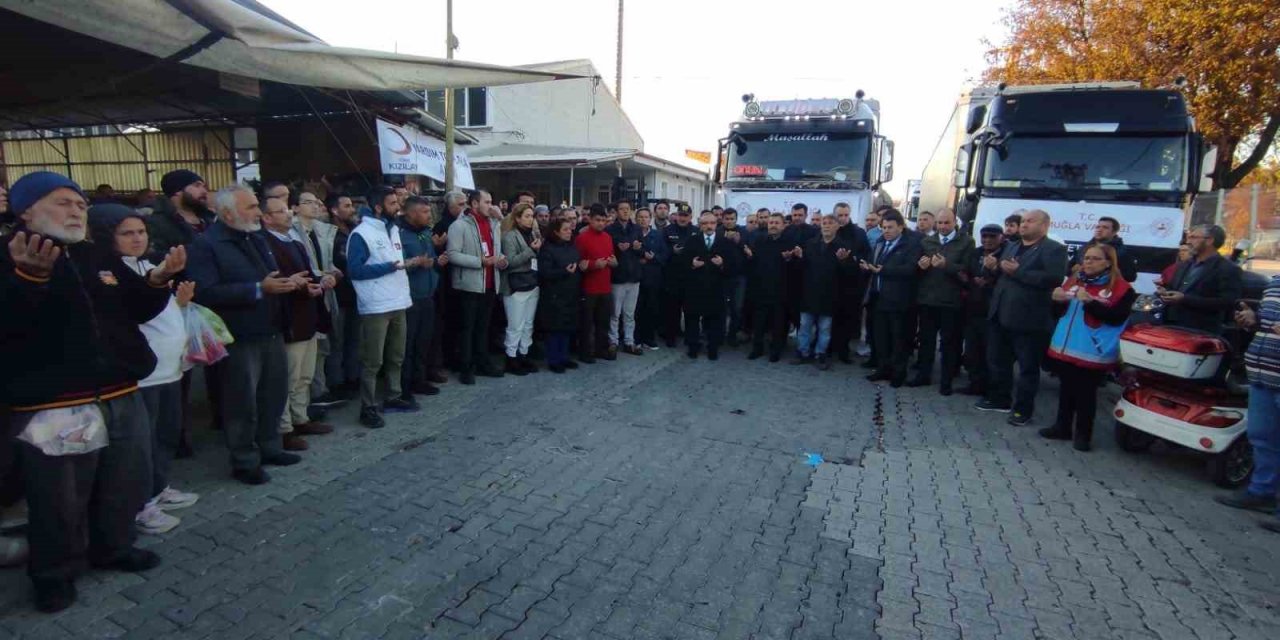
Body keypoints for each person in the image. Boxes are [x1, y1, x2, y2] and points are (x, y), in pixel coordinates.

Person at [2, 173, 188, 612]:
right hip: (55, 403)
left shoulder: (94, 254)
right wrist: (28, 279)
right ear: (26, 210)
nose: (76, 211)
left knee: (125, 480)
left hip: (122, 389)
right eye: (63, 202)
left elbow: (133, 310)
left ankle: (113, 547)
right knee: (59, 499)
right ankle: (54, 575)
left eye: (81, 205)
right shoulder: (9, 258)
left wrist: (158, 280)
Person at [90, 207, 202, 536]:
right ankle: (141, 505)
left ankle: (158, 486)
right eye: (127, 233)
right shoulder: (108, 274)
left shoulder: (151, 267)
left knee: (165, 434)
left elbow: (157, 312)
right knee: (141, 444)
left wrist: (179, 304)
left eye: (141, 231)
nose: (138, 238)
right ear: (107, 236)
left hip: (170, 369)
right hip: (144, 376)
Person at [187, 185, 303, 483]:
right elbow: (205, 291)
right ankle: (244, 460)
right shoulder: (206, 245)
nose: (258, 212)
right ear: (227, 213)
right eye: (251, 207)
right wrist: (257, 290)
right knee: (241, 402)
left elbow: (268, 278)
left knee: (272, 395)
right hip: (238, 336)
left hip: (271, 329)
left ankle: (269, 447)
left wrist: (286, 283)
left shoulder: (255, 236)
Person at [975, 209, 1068, 426]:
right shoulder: (1012, 245)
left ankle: (1022, 410)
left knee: (1027, 367)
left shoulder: (1054, 249)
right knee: (998, 361)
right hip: (1001, 313)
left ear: (1044, 226)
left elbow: (1053, 279)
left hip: (1029, 319)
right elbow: (1003, 274)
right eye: (1023, 221)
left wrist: (1018, 272)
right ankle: (1000, 399)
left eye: (1030, 221)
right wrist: (994, 267)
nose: (1024, 224)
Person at [1041, 244, 1136, 451]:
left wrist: (1090, 303)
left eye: (1094, 258)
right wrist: (1055, 300)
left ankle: (1083, 435)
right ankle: (1062, 427)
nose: (1088, 262)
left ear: (1108, 262)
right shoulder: (1075, 280)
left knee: (1086, 395)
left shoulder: (1122, 288)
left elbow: (1116, 318)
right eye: (1086, 258)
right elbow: (1059, 312)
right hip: (1066, 347)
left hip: (1093, 351)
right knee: (1066, 390)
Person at [260, 196, 335, 452]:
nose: (287, 213)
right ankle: (284, 428)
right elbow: (277, 280)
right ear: (266, 218)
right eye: (279, 211)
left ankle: (300, 418)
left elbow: (308, 272)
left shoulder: (293, 240)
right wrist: (302, 286)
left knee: (304, 375)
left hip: (308, 316)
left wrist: (322, 279)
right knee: (288, 377)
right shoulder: (265, 243)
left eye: (286, 209)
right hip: (289, 317)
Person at [346, 187, 419, 428]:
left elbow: (396, 262)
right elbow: (355, 271)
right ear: (378, 207)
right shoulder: (361, 234)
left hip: (399, 300)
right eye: (392, 203)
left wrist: (404, 264)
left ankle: (393, 396)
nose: (397, 207)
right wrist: (390, 266)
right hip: (375, 305)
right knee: (372, 360)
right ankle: (367, 407)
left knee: (396, 355)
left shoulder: (393, 229)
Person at [1216, 276, 1280, 534]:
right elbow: (1266, 324)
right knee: (1262, 438)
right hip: (1263, 375)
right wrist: (1252, 319)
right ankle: (1261, 493)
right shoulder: (1275, 283)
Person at [910, 209, 975, 395]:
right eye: (939, 223)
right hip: (928, 300)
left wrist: (947, 266)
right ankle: (923, 375)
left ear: (955, 222)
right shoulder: (927, 241)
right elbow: (917, 268)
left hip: (951, 302)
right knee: (926, 341)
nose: (943, 227)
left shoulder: (966, 242)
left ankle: (946, 381)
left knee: (949, 344)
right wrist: (921, 267)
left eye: (947, 223)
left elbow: (968, 271)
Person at [447, 189, 508, 384]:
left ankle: (482, 362)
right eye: (487, 202)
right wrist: (480, 261)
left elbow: (496, 250)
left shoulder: (493, 224)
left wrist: (501, 260)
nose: (491, 206)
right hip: (469, 286)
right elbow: (453, 254)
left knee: (483, 327)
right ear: (474, 204)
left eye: (491, 202)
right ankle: (466, 367)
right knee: (467, 329)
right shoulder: (459, 226)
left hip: (489, 284)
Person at [291, 191, 345, 407]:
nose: (315, 206)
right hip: (306, 294)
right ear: (295, 207)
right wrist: (322, 277)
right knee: (308, 350)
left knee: (324, 345)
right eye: (308, 202)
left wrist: (333, 273)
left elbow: (327, 262)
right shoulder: (291, 233)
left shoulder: (321, 231)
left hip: (326, 294)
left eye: (316, 202)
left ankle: (321, 390)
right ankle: (310, 398)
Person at [863, 209, 923, 387]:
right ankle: (883, 369)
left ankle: (898, 373)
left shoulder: (911, 245)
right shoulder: (881, 242)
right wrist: (867, 265)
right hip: (879, 298)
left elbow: (911, 270)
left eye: (890, 227)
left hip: (900, 301)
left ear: (901, 227)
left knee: (899, 339)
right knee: (881, 338)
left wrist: (883, 270)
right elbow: (874, 262)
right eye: (883, 227)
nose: (886, 231)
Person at [792, 214, 856, 370]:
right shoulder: (810, 244)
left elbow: (850, 274)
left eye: (830, 223)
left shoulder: (844, 246)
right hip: (809, 293)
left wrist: (843, 261)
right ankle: (803, 352)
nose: (826, 226)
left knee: (825, 328)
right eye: (824, 223)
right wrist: (799, 258)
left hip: (830, 294)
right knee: (804, 326)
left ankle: (821, 354)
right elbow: (801, 270)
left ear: (837, 226)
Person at [398, 196, 445, 396]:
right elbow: (397, 265)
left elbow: (429, 258)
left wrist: (435, 262)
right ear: (411, 213)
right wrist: (415, 264)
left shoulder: (426, 232)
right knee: (408, 343)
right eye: (425, 212)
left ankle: (420, 379)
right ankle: (404, 384)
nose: (429, 216)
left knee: (424, 340)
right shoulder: (399, 235)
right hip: (410, 297)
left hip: (428, 294)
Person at [1158, 224, 1242, 335]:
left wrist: (1185, 299)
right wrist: (1165, 292)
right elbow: (1174, 288)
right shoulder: (1185, 265)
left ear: (1209, 240)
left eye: (1193, 237)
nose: (1188, 241)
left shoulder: (1227, 269)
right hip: (1171, 325)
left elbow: (1227, 302)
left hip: (1200, 331)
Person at [683, 211, 737, 359]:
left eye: (712, 223)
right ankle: (693, 347)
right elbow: (682, 263)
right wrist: (692, 265)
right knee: (693, 319)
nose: (709, 226)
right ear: (700, 225)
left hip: (716, 288)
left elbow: (733, 266)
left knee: (715, 320)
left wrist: (722, 265)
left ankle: (713, 348)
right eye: (705, 223)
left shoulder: (725, 242)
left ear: (716, 224)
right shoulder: (692, 240)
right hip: (695, 288)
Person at [961, 225, 1006, 396]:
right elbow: (967, 271)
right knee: (972, 350)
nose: (987, 240)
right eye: (984, 236)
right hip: (973, 308)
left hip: (993, 311)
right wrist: (967, 279)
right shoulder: (976, 253)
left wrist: (990, 280)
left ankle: (991, 388)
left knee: (991, 353)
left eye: (992, 237)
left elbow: (1008, 278)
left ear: (1001, 237)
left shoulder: (1006, 254)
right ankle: (975, 383)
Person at [326, 194, 363, 396]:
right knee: (337, 342)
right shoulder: (329, 235)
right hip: (338, 297)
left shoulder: (354, 232)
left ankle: (352, 378)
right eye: (347, 206)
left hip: (356, 294)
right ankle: (336, 383)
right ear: (334, 210)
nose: (352, 210)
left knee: (354, 340)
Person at [500, 202, 542, 374]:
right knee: (515, 324)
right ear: (517, 218)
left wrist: (537, 250)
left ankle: (524, 354)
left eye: (532, 216)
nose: (530, 219)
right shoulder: (510, 236)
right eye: (526, 216)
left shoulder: (533, 234)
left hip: (532, 282)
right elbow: (510, 261)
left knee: (528, 323)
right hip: (515, 285)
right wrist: (531, 251)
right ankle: (511, 356)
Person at [745, 213, 792, 362]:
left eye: (776, 223)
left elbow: (797, 268)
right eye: (771, 222)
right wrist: (750, 257)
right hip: (761, 288)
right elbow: (754, 263)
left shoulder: (789, 242)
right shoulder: (760, 240)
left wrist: (789, 260)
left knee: (778, 323)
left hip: (781, 290)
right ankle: (757, 349)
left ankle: (775, 350)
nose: (773, 225)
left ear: (783, 225)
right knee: (759, 322)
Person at [574, 204, 617, 362]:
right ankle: (585, 352)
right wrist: (593, 265)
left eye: (604, 220)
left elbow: (612, 258)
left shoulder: (608, 237)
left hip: (605, 287)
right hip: (589, 287)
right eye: (598, 220)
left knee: (603, 321)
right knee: (586, 323)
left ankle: (601, 349)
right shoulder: (581, 238)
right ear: (590, 220)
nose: (601, 223)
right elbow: (578, 263)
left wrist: (613, 262)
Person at [538, 218, 582, 373]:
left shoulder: (571, 246)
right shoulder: (547, 248)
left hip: (570, 292)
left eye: (570, 229)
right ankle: (554, 359)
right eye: (565, 229)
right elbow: (544, 272)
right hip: (554, 294)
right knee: (555, 328)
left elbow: (577, 260)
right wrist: (564, 271)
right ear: (556, 232)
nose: (569, 232)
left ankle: (564, 357)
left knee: (567, 327)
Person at [144, 169, 213, 262]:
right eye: (197, 185)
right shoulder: (156, 223)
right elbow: (155, 257)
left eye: (204, 187)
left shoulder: (210, 218)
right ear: (177, 190)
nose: (204, 191)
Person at [832, 202, 871, 363]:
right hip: (832, 282)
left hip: (852, 283)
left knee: (848, 318)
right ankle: (828, 347)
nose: (843, 218)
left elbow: (866, 254)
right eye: (839, 215)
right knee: (831, 317)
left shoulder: (859, 233)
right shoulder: (830, 230)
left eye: (845, 215)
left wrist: (853, 259)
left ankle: (843, 350)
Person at [606, 200, 645, 356]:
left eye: (627, 209)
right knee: (615, 313)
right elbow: (608, 251)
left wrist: (638, 248)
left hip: (634, 276)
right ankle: (613, 341)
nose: (625, 212)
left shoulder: (636, 228)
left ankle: (629, 341)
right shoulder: (610, 229)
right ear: (616, 212)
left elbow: (642, 250)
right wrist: (617, 248)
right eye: (621, 209)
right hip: (618, 277)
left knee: (629, 314)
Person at [661, 207, 697, 346]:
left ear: (690, 216)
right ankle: (671, 338)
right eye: (680, 215)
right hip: (673, 277)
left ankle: (690, 338)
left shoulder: (696, 231)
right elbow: (662, 251)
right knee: (672, 310)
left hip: (690, 276)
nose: (682, 218)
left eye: (685, 215)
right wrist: (672, 251)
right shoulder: (667, 231)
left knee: (690, 310)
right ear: (676, 216)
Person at [634, 207, 669, 350]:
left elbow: (665, 255)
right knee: (636, 310)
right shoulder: (632, 235)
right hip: (636, 278)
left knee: (651, 309)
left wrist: (653, 258)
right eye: (640, 217)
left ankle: (648, 338)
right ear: (636, 219)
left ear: (650, 219)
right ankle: (636, 339)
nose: (643, 220)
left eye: (646, 217)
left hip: (653, 279)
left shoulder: (658, 235)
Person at [1068, 216, 1138, 282]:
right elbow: (1067, 269)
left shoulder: (1122, 252)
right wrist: (1073, 270)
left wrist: (1109, 273)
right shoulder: (1084, 248)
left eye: (1105, 227)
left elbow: (1131, 277)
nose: (1099, 230)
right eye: (1098, 227)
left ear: (1114, 232)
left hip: (1107, 291)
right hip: (1080, 289)